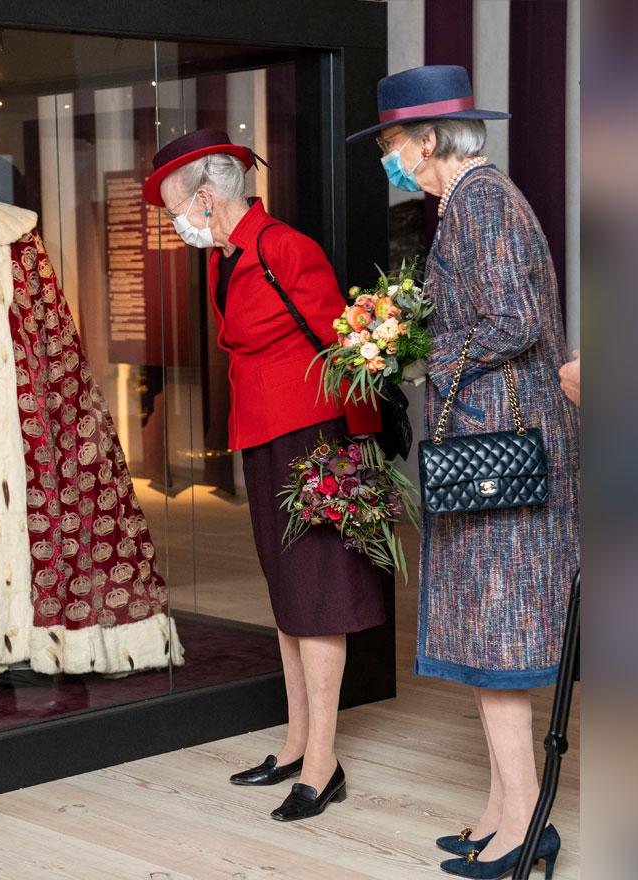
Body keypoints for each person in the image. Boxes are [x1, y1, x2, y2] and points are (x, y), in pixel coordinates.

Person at [347, 65, 580, 877]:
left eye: (393, 144)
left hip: (502, 450)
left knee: (502, 634)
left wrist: (429, 355)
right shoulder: (473, 201)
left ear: (430, 140)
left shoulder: (479, 201)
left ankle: (526, 829)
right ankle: (503, 810)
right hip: (496, 444)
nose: (391, 159)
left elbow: (513, 321)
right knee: (491, 631)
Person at [142, 130, 385, 822]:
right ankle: (297, 743)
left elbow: (345, 352)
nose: (174, 223)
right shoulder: (230, 256)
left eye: (172, 209)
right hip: (265, 438)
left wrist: (355, 456)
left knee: (317, 598)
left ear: (207, 196)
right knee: (288, 598)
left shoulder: (284, 248)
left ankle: (322, 763)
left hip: (312, 441)